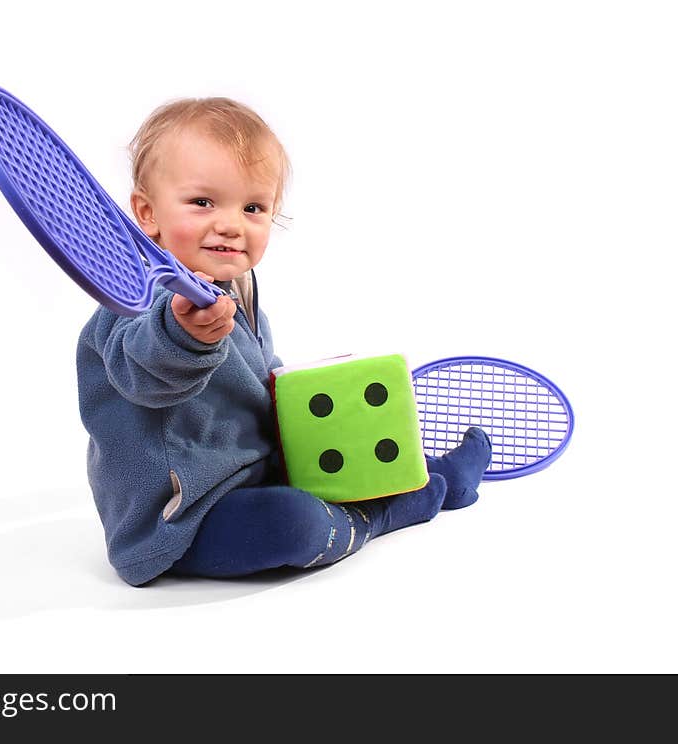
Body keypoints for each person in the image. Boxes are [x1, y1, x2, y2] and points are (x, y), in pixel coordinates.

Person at [77, 97, 491, 586]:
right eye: (203, 202)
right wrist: (182, 335)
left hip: (255, 471)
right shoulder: (135, 303)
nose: (231, 223)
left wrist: (304, 396)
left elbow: (258, 374)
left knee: (341, 455)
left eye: (253, 207)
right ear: (147, 213)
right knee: (292, 521)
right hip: (185, 520)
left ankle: (425, 475)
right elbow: (143, 372)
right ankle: (385, 514)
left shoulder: (237, 287)